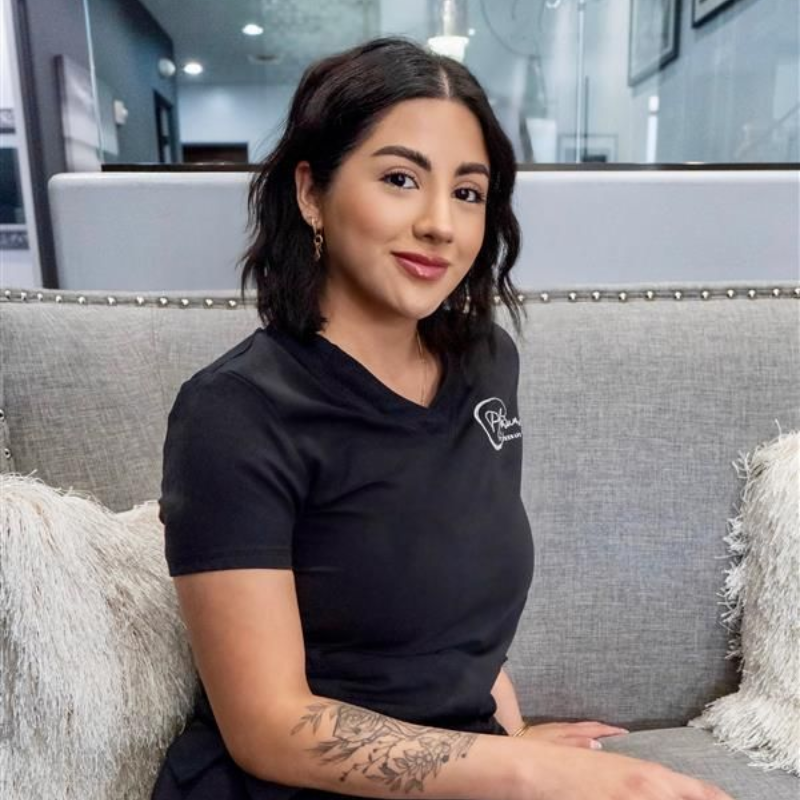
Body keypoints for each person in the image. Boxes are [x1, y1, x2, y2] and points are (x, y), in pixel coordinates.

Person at [152, 36, 734, 800]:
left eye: (468, 192)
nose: (441, 224)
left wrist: (507, 739)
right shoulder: (233, 412)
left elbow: (459, 618)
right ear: (311, 192)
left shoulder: (485, 361)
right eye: (400, 178)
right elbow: (269, 727)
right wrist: (533, 772)